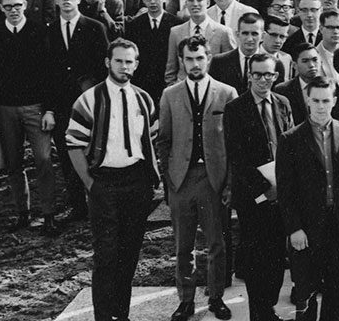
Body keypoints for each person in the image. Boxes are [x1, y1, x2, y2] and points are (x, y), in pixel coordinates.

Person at [65, 39, 161, 321]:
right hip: (103, 182)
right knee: (106, 257)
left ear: (136, 64)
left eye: (129, 61)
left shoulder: (143, 98)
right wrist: (91, 184)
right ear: (108, 62)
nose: (124, 66)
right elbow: (73, 144)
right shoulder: (89, 99)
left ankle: (122, 314)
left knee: (129, 256)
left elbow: (152, 140)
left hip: (136, 182)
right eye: (118, 60)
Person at [156, 36, 239, 321]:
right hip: (181, 179)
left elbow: (234, 143)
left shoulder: (227, 93)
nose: (195, 64)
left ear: (209, 58)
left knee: (217, 243)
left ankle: (216, 297)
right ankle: (186, 301)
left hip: (213, 179)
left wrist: (229, 182)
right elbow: (163, 139)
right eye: (189, 59)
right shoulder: (170, 94)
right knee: (183, 246)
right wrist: (169, 176)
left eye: (200, 58)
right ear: (182, 61)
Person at [279, 77, 339, 321]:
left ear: (334, 101)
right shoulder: (290, 139)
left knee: (338, 292)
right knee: (306, 294)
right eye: (315, 100)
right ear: (308, 101)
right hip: (306, 229)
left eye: (325, 100)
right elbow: (286, 191)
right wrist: (294, 228)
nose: (320, 106)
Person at [225, 51, 294, 321]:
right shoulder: (236, 108)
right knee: (257, 258)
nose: (263, 80)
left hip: (281, 192)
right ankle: (259, 314)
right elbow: (237, 156)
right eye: (257, 74)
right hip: (254, 195)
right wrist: (263, 188)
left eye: (269, 74)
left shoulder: (283, 103)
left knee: (277, 256)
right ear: (249, 75)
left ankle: (269, 307)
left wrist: (283, 185)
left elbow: (289, 144)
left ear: (276, 76)